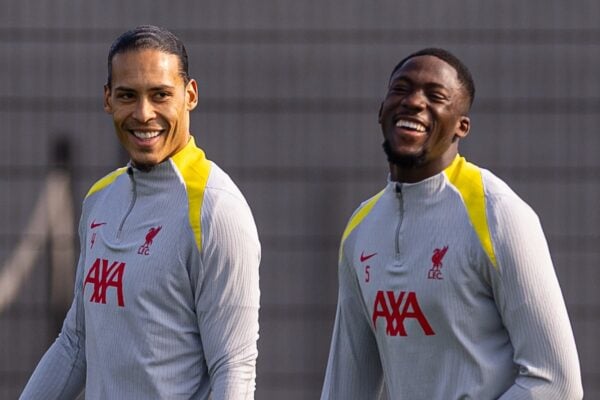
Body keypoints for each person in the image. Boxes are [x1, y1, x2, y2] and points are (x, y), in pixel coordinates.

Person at [320, 48, 583, 399]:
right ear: (381, 109)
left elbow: (557, 384)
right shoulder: (361, 229)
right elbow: (345, 387)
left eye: (436, 96)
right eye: (401, 89)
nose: (413, 102)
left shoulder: (498, 214)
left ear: (462, 126)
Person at [21, 25, 260, 400]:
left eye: (160, 95)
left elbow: (234, 366)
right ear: (107, 99)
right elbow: (75, 343)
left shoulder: (216, 209)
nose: (143, 113)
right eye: (128, 95)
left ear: (190, 95)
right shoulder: (99, 200)